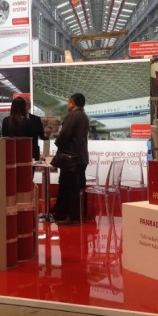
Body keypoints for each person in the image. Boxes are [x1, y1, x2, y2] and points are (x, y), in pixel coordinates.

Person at [51, 93, 90, 224]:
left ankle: (68, 216)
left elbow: (65, 135)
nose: (67, 105)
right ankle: (79, 214)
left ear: (72, 103)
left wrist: (57, 143)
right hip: (81, 157)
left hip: (70, 158)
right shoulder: (84, 116)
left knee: (68, 187)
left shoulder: (72, 116)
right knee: (79, 187)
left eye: (68, 102)